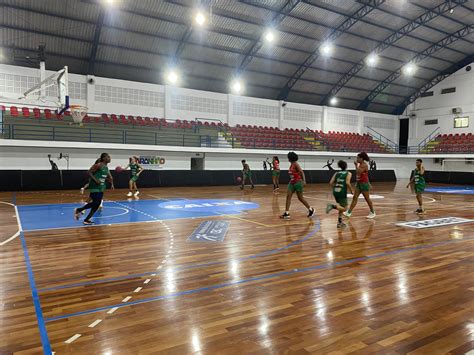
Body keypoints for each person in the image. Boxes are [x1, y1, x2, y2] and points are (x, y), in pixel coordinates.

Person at [74, 153, 114, 225]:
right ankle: (78, 210)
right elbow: (89, 172)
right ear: (104, 158)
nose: (110, 158)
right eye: (108, 157)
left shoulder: (106, 167)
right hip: (95, 186)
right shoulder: (98, 165)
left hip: (101, 187)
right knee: (96, 203)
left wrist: (110, 181)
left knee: (97, 204)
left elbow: (106, 177)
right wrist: (96, 180)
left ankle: (86, 220)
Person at [280, 152, 315, 220]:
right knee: (288, 196)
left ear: (290, 158)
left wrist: (304, 181)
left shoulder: (296, 164)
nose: (287, 158)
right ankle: (286, 213)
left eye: (288, 157)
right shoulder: (291, 164)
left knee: (300, 198)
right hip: (292, 182)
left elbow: (301, 172)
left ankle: (311, 209)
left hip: (298, 182)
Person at [344, 152, 376, 219]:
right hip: (359, 183)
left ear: (362, 158)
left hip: (364, 184)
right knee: (354, 198)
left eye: (358, 158)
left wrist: (356, 165)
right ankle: (349, 212)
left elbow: (358, 172)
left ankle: (372, 212)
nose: (357, 159)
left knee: (367, 199)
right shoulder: (360, 165)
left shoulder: (364, 165)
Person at [326, 160, 353, 228]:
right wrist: (352, 190)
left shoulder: (336, 173)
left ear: (339, 166)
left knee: (341, 207)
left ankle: (339, 223)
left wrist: (335, 187)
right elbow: (347, 183)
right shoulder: (348, 173)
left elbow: (330, 182)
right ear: (346, 166)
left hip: (335, 191)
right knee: (345, 209)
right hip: (342, 191)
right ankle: (332, 206)